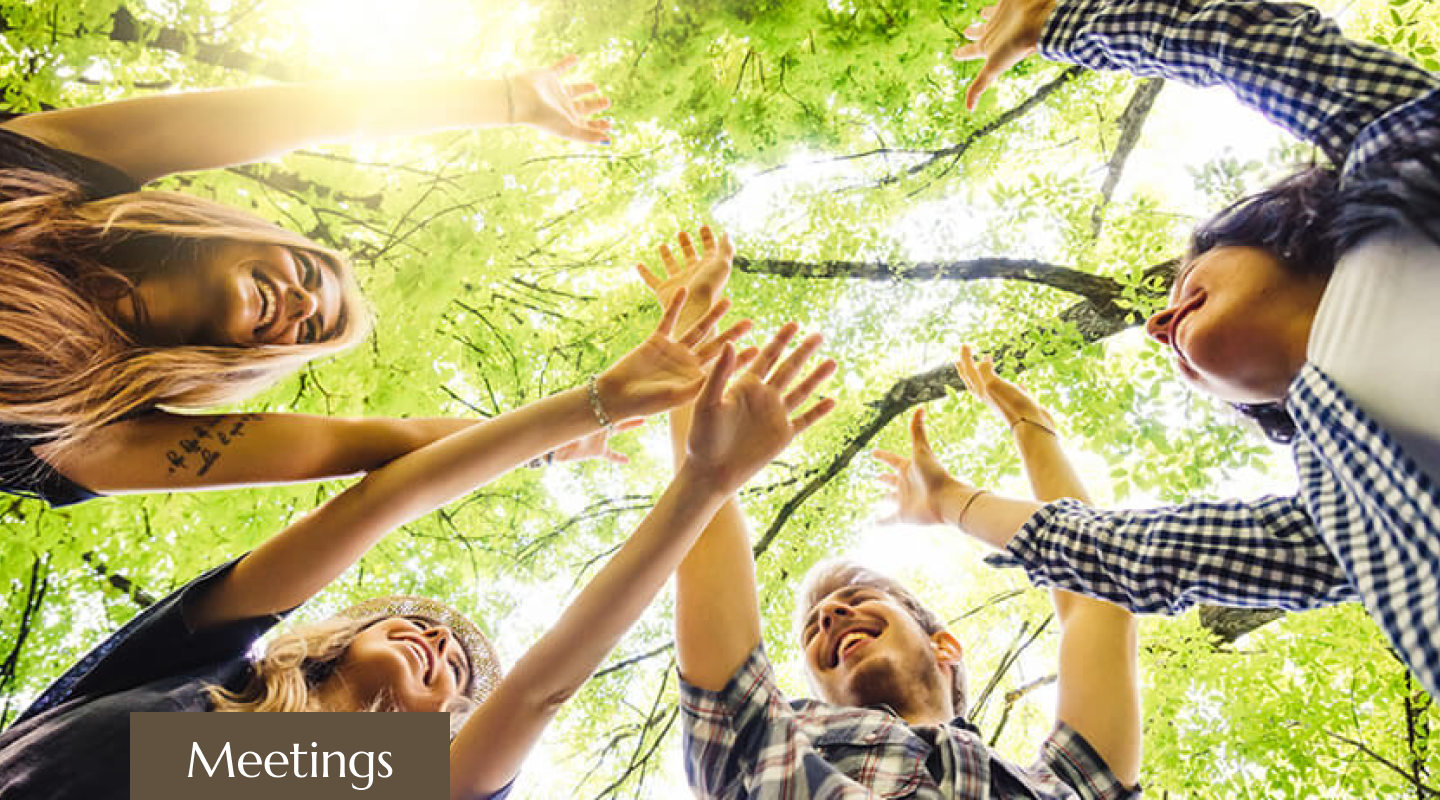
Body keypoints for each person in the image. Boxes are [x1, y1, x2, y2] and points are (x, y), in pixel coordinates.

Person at [0, 281, 838, 800]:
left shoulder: (364, 779)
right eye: (422, 626)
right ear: (335, 633)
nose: (442, 642)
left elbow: (542, 687)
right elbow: (379, 501)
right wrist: (596, 403)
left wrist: (702, 484)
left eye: (462, 674)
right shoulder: (201, 672)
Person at [952, 0, 1440, 697]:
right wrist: (954, 504)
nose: (1158, 325)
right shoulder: (1335, 510)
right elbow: (1145, 556)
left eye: (1188, 276)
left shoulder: (1398, 171)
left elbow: (1256, 47)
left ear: (1273, 230)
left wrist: (1065, 22)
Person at [0, 56, 613, 506]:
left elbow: (360, 444)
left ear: (255, 360)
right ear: (246, 235)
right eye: (309, 272)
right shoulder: (53, 172)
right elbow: (310, 115)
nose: (300, 301)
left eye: (311, 326)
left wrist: (554, 434)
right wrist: (509, 100)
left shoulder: (91, 425)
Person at [658, 236, 1141, 797]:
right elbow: (707, 537)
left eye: (859, 595)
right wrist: (690, 324)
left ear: (945, 647)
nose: (831, 614)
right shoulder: (771, 750)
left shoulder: (1060, 787)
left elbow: (1101, 598)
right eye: (814, 628)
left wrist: (1032, 428)